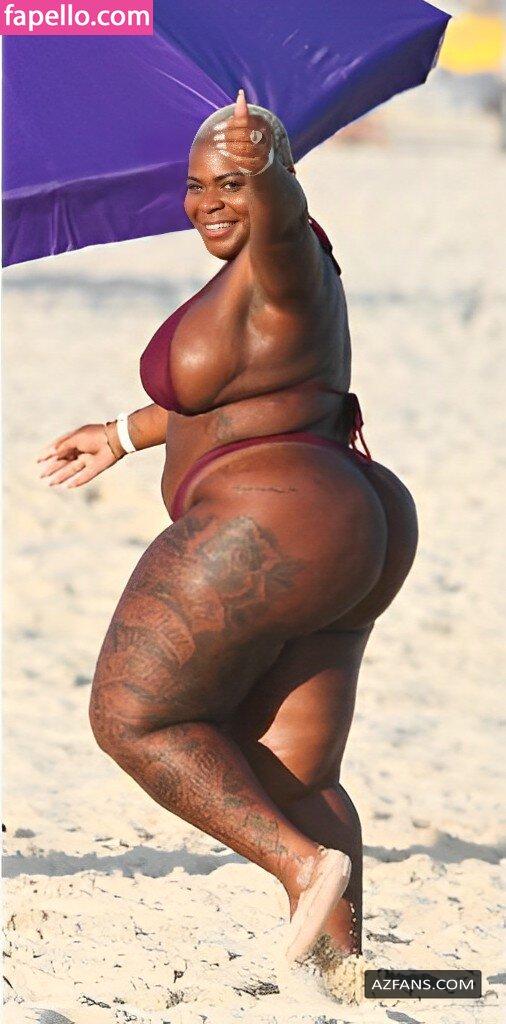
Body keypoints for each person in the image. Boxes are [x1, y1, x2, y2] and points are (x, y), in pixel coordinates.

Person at [37, 89, 418, 969]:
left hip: (274, 521)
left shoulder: (284, 254)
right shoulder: (257, 282)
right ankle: (341, 976)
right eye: (198, 184)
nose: (210, 201)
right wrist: (121, 435)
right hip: (347, 524)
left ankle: (301, 865)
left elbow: (279, 212)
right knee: (299, 773)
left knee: (134, 718)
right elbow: (237, 397)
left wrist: (266, 168)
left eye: (232, 183)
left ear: (274, 182)